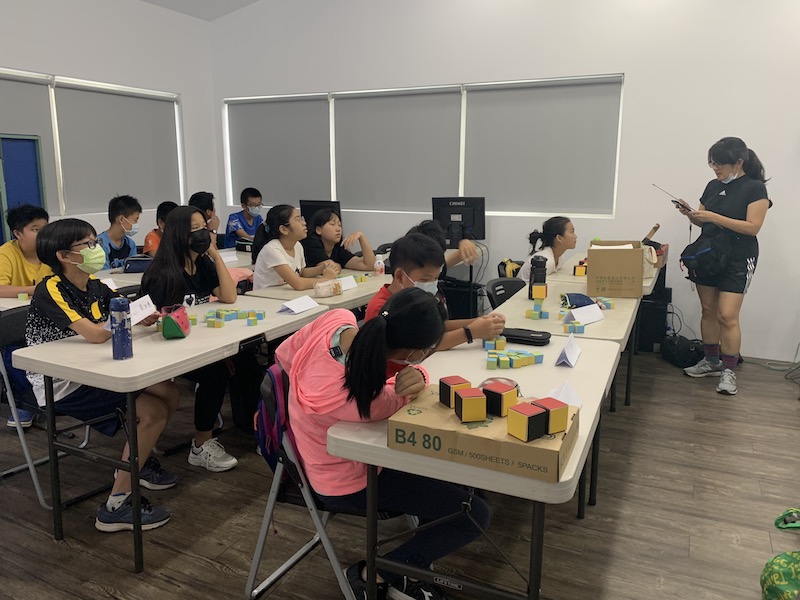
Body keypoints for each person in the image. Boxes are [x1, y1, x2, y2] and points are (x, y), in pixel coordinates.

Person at [275, 288, 490, 600]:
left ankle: (412, 567)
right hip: (347, 481)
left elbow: (284, 354)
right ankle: (376, 572)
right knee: (474, 514)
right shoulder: (366, 400)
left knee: (450, 482)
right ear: (413, 354)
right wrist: (420, 374)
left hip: (322, 455)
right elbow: (405, 389)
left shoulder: (335, 320)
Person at [26, 218, 179, 531]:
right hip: (61, 381)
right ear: (63, 256)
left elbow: (123, 310)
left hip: (95, 368)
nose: (96, 249)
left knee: (169, 392)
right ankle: (117, 504)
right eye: (87, 244)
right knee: (152, 412)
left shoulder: (96, 284)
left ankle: (136, 462)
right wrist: (127, 316)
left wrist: (141, 314)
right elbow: (96, 334)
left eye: (94, 242)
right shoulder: (50, 289)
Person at [141, 206, 247, 471]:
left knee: (243, 360)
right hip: (164, 348)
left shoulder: (200, 263)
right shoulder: (164, 273)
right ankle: (201, 444)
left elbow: (229, 296)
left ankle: (250, 426)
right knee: (215, 372)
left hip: (195, 342)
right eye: (195, 230)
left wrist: (215, 255)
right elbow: (163, 325)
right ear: (179, 234)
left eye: (204, 228)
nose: (203, 234)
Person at [676, 137, 771, 395]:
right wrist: (691, 215)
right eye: (712, 163)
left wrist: (714, 217)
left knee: (727, 315)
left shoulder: (755, 188)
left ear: (738, 162)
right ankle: (711, 361)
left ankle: (729, 370)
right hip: (709, 254)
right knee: (708, 309)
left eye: (719, 164)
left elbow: (753, 227)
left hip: (739, 257)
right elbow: (704, 222)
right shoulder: (712, 186)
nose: (715, 168)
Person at [365, 233, 505, 378]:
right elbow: (424, 345)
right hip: (396, 379)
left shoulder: (414, 299)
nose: (432, 284)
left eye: (436, 278)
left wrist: (477, 321)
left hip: (422, 370)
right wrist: (470, 332)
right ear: (400, 276)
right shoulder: (382, 308)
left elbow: (438, 327)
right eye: (425, 279)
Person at [0, 204, 51, 428]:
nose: (42, 234)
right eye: (35, 229)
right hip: (14, 321)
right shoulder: (6, 253)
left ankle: (51, 396)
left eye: (45, 228)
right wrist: (35, 289)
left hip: (44, 317)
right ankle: (27, 402)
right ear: (18, 233)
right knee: (14, 353)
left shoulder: (50, 252)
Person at [252, 204, 339, 290]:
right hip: (265, 296)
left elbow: (301, 272)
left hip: (285, 294)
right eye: (298, 220)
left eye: (302, 219)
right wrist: (326, 279)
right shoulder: (272, 249)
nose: (304, 223)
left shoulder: (297, 245)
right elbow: (298, 284)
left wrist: (322, 268)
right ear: (283, 229)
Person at [301, 209, 376, 271]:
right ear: (318, 230)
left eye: (339, 225)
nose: (338, 229)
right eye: (332, 224)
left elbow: (370, 266)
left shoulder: (337, 247)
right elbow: (330, 268)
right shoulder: (311, 245)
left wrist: (361, 236)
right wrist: (338, 266)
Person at [517, 216, 577, 282]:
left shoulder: (560, 258)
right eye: (572, 232)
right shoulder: (546, 261)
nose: (575, 236)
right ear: (559, 238)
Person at [407, 219, 478, 272]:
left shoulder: (432, 270)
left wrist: (464, 243)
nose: (432, 281)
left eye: (436, 277)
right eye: (424, 279)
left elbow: (445, 264)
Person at [97, 195, 141, 269]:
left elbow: (134, 269)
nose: (136, 224)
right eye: (135, 220)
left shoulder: (130, 244)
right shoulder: (100, 244)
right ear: (121, 219)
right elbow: (102, 274)